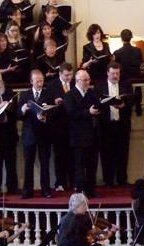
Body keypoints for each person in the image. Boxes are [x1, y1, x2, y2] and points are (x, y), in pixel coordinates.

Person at [18, 69, 55, 199]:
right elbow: (18, 115)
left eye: (41, 81)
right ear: (31, 81)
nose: (40, 84)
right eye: (37, 81)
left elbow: (53, 112)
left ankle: (46, 189)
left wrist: (46, 117)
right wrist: (22, 110)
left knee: (45, 163)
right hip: (29, 134)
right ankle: (27, 190)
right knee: (28, 163)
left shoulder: (49, 94)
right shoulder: (24, 95)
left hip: (44, 133)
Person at [64, 70, 100, 198]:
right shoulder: (70, 95)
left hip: (93, 134)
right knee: (79, 165)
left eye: (88, 80)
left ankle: (91, 190)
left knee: (92, 164)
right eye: (84, 80)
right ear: (77, 81)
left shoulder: (92, 93)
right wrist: (88, 112)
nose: (87, 83)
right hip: (78, 136)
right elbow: (71, 113)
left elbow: (98, 106)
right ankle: (80, 190)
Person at [96, 62, 134, 187]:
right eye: (113, 73)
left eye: (117, 73)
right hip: (106, 126)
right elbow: (96, 104)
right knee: (107, 154)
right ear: (107, 73)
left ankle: (122, 179)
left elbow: (132, 101)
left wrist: (123, 105)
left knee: (123, 154)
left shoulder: (126, 85)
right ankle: (109, 181)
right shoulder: (99, 86)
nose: (115, 76)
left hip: (121, 125)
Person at [47, 62, 75, 191]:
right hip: (58, 125)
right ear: (60, 74)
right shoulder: (52, 85)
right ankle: (60, 182)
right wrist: (55, 102)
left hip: (73, 125)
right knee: (59, 156)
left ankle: (74, 181)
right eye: (66, 75)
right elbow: (47, 103)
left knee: (73, 155)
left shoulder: (75, 83)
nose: (68, 77)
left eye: (70, 75)